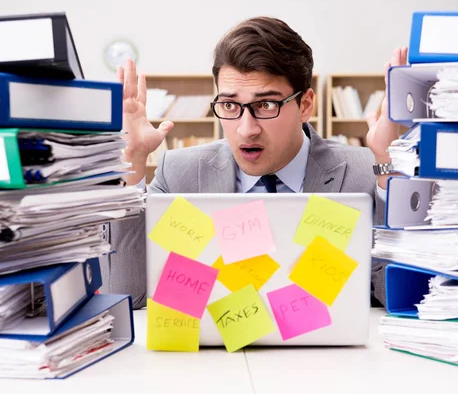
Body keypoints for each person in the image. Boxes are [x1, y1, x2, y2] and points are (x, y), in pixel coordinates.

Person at [100, 16, 406, 309]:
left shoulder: (365, 174)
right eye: (230, 105)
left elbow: (394, 297)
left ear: (306, 105)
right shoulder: (180, 175)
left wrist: (388, 165)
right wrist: (133, 160)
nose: (247, 129)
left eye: (266, 104)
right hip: (213, 358)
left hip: (330, 356)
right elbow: (128, 293)